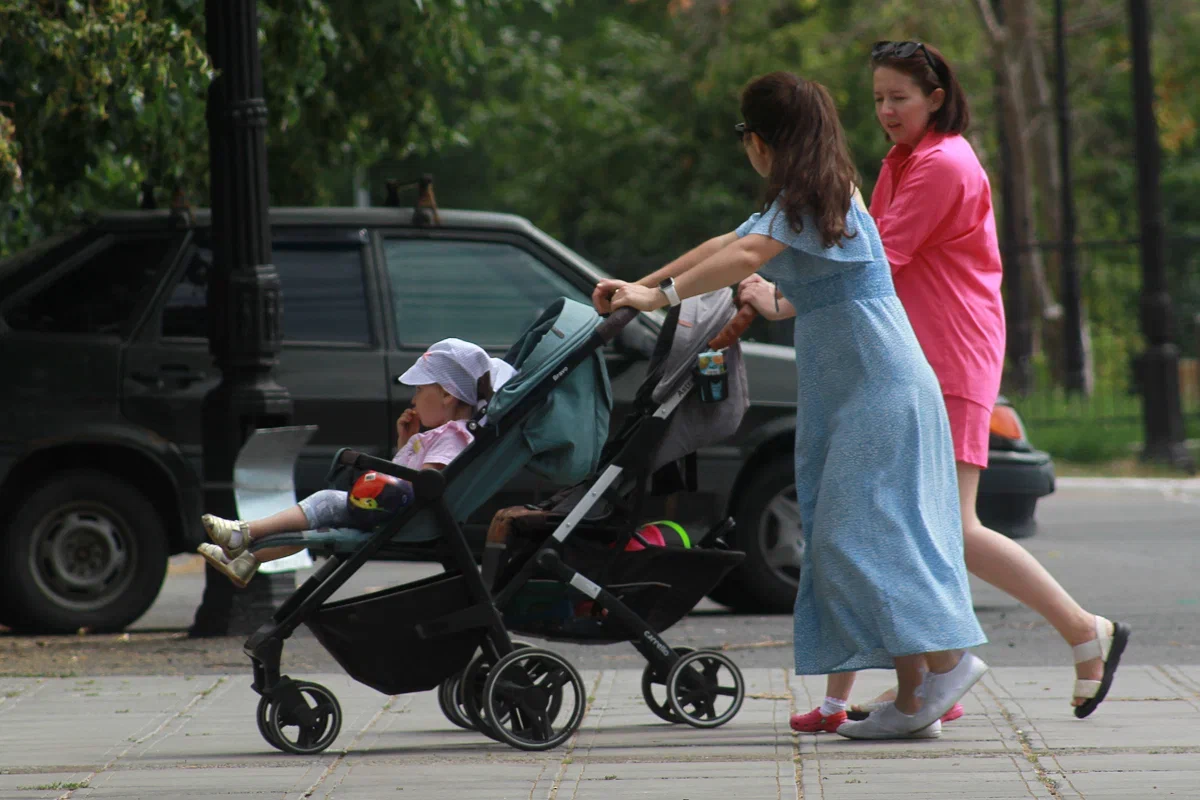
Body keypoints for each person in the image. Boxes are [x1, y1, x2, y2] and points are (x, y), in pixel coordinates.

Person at [740, 42, 1129, 734]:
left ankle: (1076, 631)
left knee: (945, 525)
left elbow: (874, 258)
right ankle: (917, 688)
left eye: (901, 98)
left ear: (937, 97)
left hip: (945, 356)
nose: (887, 111)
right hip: (911, 352)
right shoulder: (904, 160)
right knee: (901, 522)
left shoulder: (944, 163)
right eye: (878, 99)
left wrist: (777, 298)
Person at [595, 70, 988, 740]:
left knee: (853, 537)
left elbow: (748, 252)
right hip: (861, 387)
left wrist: (657, 297)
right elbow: (727, 246)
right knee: (865, 535)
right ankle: (916, 697)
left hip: (879, 384)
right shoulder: (809, 195)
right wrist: (642, 284)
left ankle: (947, 665)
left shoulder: (816, 195)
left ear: (760, 140)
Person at [197, 339, 516, 587]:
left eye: (420, 390)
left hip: (402, 516)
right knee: (315, 526)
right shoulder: (442, 435)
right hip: (399, 512)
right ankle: (246, 558)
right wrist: (406, 442)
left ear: (447, 395)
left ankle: (245, 532)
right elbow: (416, 479)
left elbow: (425, 484)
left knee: (324, 502)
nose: (413, 399)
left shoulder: (453, 436)